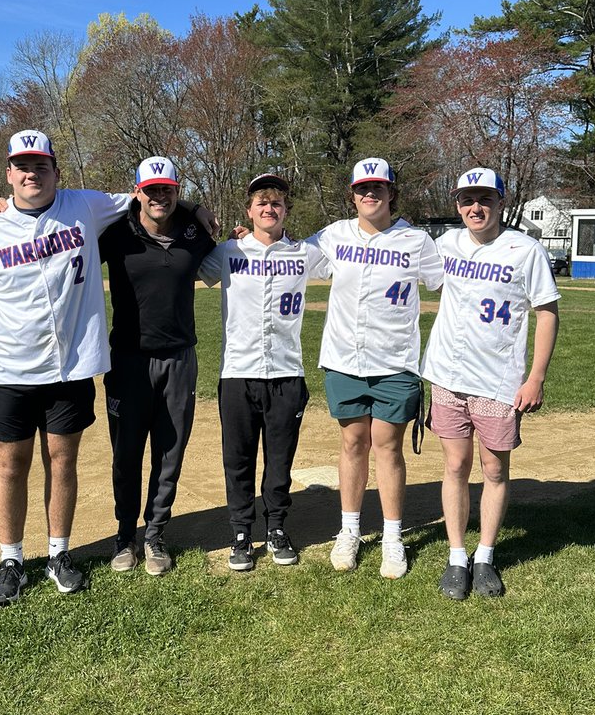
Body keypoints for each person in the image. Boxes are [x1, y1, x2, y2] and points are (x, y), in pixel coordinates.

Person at [0, 132, 134, 607]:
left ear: (56, 171)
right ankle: (11, 560)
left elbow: (148, 196)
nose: (31, 173)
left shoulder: (87, 206)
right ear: (10, 174)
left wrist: (198, 212)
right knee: (9, 466)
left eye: (40, 165)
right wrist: (4, 303)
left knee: (63, 460)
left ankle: (59, 553)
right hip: (10, 366)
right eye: (22, 165)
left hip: (70, 366)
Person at [421, 167, 560, 599]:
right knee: (455, 466)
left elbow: (547, 312)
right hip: (447, 374)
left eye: (484, 199)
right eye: (466, 200)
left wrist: (535, 377)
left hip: (498, 381)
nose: (475, 208)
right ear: (457, 205)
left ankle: (485, 556)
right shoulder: (444, 245)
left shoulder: (525, 250)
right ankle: (457, 557)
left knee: (495, 469)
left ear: (502, 202)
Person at [307, 159, 444, 578]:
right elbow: (291, 252)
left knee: (387, 446)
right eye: (363, 188)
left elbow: (447, 284)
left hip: (395, 362)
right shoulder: (333, 235)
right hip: (344, 360)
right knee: (352, 443)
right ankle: (349, 530)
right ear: (353, 195)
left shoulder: (416, 242)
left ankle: (391, 536)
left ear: (391, 193)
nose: (371, 194)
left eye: (379, 187)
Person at [198, 174, 330, 571]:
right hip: (238, 372)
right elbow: (187, 262)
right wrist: (198, 216)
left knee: (279, 460)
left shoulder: (304, 252)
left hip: (287, 373)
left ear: (286, 210)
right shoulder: (228, 251)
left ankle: (275, 527)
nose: (269, 209)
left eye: (276, 203)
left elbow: (352, 248)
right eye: (261, 203)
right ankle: (241, 532)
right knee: (237, 459)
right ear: (249, 211)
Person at [100, 157, 216, 575]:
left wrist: (198, 209)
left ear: (177, 190)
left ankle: (155, 535)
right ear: (137, 191)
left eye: (167, 188)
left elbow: (219, 245)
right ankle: (124, 535)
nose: (158, 196)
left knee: (169, 451)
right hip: (128, 360)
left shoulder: (194, 232)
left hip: (180, 359)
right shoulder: (114, 233)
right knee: (126, 454)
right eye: (151, 189)